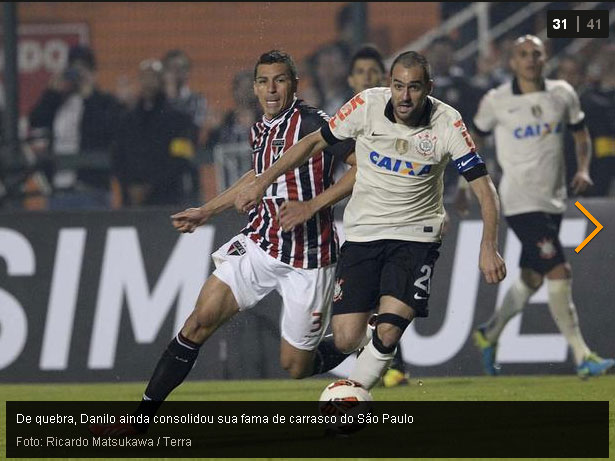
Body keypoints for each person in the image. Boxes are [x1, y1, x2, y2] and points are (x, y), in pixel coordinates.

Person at [90, 50, 355, 436]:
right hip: (260, 244)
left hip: (309, 257)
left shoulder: (315, 123)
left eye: (280, 80)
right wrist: (207, 210)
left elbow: (361, 167)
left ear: (294, 85)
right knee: (199, 321)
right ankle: (141, 418)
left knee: (296, 366)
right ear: (254, 86)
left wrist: (312, 206)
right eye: (263, 80)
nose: (271, 88)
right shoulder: (261, 127)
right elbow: (257, 175)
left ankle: (352, 341)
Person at [236, 50, 506, 391]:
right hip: (364, 234)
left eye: (414, 88)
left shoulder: (447, 122)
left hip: (416, 237)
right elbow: (313, 142)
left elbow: (485, 189)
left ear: (429, 88)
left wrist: (488, 246)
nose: (405, 96)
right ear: (389, 85)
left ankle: (352, 393)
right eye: (398, 86)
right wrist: (261, 182)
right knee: (347, 338)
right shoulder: (365, 105)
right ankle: (373, 342)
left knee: (391, 327)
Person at [465, 35, 614, 377]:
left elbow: (580, 133)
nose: (530, 60)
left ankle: (489, 334)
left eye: (536, 54)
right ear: (512, 62)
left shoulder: (562, 93)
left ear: (545, 58)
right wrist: (465, 184)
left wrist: (584, 168)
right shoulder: (496, 100)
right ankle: (583, 356)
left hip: (554, 199)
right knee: (560, 271)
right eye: (523, 55)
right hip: (518, 201)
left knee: (532, 277)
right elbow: (473, 140)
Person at [279, 45, 411, 388]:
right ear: (351, 78)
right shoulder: (343, 119)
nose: (367, 78)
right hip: (355, 220)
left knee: (389, 296)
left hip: (399, 220)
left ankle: (389, 364)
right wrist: (317, 202)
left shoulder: (401, 116)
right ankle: (379, 357)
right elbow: (344, 165)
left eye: (373, 72)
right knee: (362, 310)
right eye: (361, 72)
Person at [29, 45, 121, 209]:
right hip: (58, 188)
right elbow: (36, 120)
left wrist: (89, 96)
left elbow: (104, 131)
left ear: (93, 72)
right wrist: (52, 92)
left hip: (92, 188)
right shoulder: (59, 100)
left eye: (83, 69)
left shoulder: (104, 102)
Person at [113, 59, 198, 207]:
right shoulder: (127, 120)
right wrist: (130, 186)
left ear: (161, 80)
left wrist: (150, 187)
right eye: (145, 77)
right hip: (132, 200)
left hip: (167, 199)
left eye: (153, 77)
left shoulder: (178, 119)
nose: (148, 82)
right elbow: (118, 155)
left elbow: (182, 158)